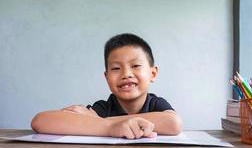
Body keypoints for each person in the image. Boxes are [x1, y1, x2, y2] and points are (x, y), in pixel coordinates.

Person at [31, 33, 182, 139]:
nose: (126, 74)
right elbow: (40, 121)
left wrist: (101, 122)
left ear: (153, 74)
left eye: (135, 65)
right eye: (116, 68)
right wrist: (109, 128)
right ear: (107, 77)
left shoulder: (156, 103)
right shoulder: (102, 108)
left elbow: (173, 123)